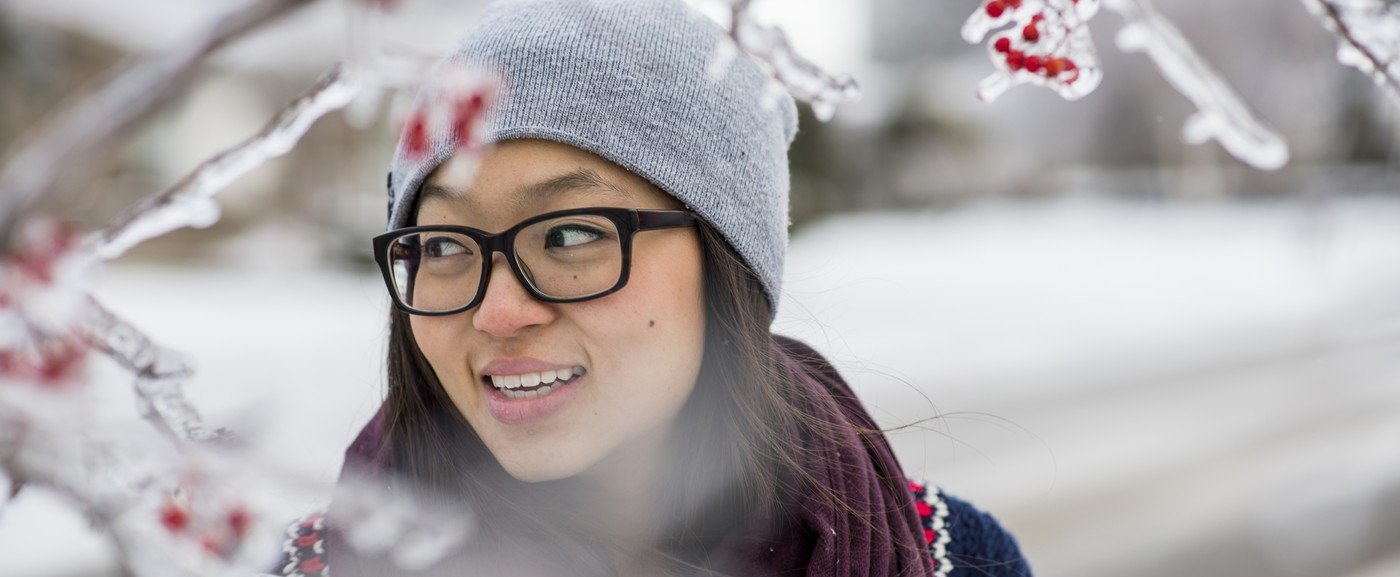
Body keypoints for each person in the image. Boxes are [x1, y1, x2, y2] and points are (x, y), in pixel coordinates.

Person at [277, 1, 1032, 576]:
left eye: (570, 235)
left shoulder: (959, 560)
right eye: (441, 244)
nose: (498, 312)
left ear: (725, 260)